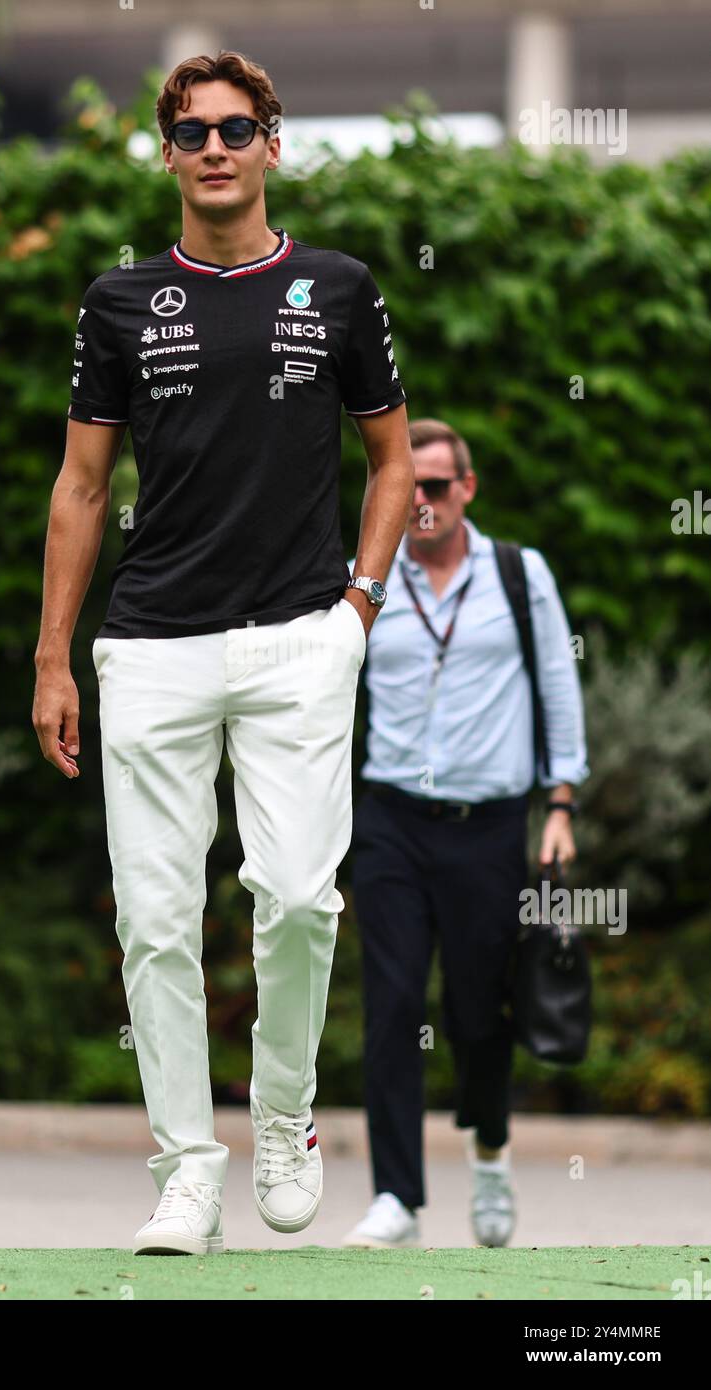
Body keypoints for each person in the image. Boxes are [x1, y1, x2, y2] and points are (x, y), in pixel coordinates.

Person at [31, 50, 413, 1255]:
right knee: (153, 921)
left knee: (298, 898)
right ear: (166, 152)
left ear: (271, 144)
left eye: (234, 129)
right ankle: (184, 1169)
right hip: (149, 650)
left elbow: (392, 460)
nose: (213, 148)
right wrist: (52, 658)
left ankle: (284, 1120)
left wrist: (356, 607)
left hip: (302, 641)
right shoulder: (118, 301)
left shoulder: (338, 289)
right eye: (191, 131)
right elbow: (82, 489)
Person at [343, 417, 589, 1249]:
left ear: (466, 490)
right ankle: (397, 1199)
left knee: (480, 1011)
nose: (421, 501)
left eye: (437, 486)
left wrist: (560, 805)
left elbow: (558, 686)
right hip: (389, 824)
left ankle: (489, 1154)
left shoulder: (519, 576)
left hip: (489, 828)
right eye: (408, 484)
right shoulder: (365, 579)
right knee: (393, 1003)